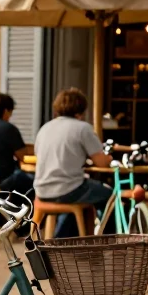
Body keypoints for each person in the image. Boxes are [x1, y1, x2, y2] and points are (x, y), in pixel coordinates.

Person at [34, 88, 111, 236]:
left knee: (85, 196)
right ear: (81, 110)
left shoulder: (45, 128)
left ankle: (66, 238)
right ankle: (107, 241)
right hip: (68, 190)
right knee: (111, 197)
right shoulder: (83, 128)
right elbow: (102, 163)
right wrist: (109, 158)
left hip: (41, 190)